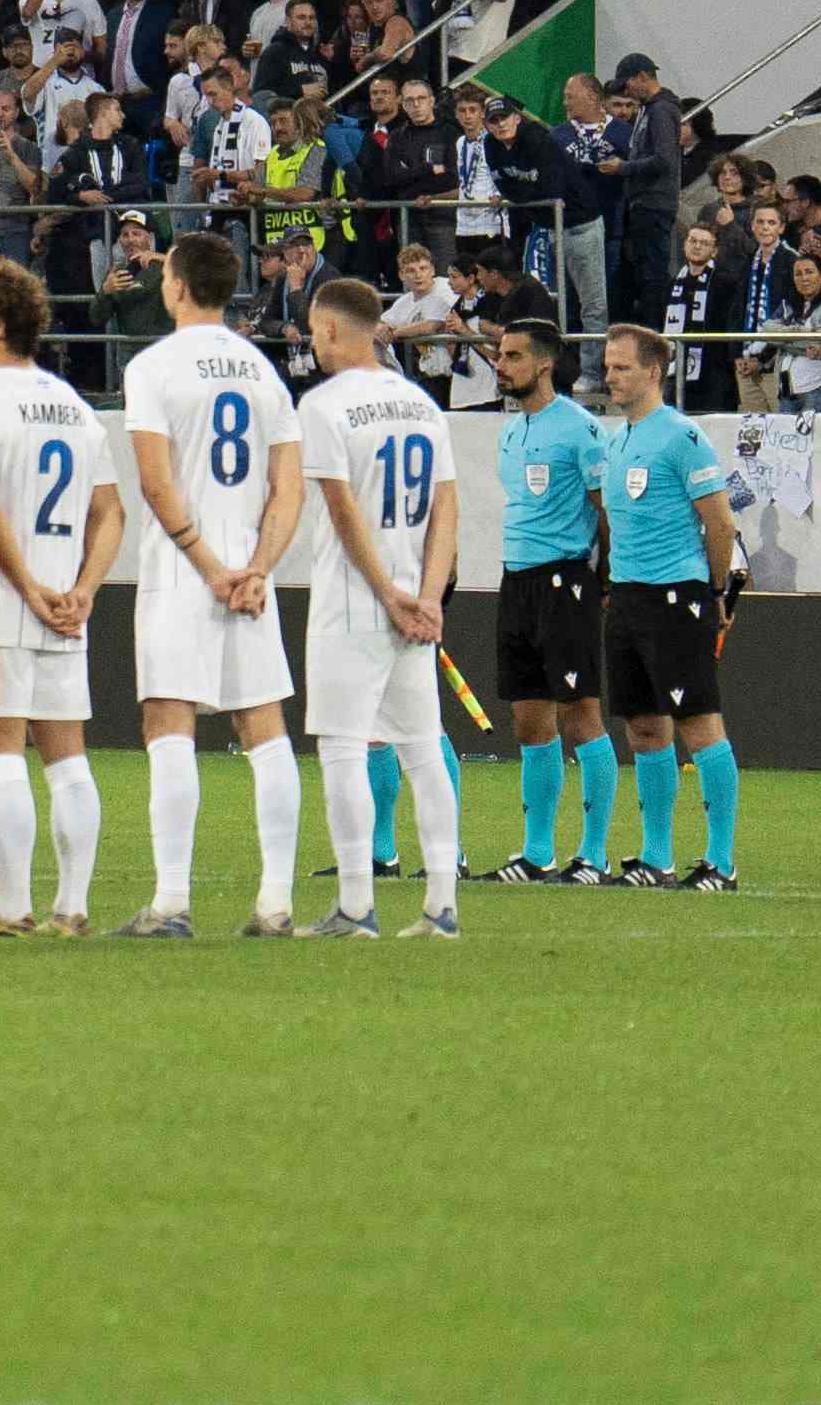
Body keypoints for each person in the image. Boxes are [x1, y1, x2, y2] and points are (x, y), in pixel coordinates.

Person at [118, 230, 309, 939]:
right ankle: (276, 903)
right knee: (263, 726)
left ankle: (171, 903)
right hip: (249, 571)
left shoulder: (153, 367)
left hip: (184, 566)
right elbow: (289, 489)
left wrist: (208, 566)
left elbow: (156, 481)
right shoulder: (263, 371)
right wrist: (258, 569)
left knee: (169, 723)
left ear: (176, 284)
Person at [0, 253, 112, 940]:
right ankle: (73, 907)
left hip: (3, 602)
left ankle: (12, 909)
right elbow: (111, 512)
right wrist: (83, 590)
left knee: (0, 748)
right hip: (66, 605)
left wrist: (28, 589)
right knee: (67, 755)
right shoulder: (76, 407)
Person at [296, 278, 467, 940]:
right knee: (422, 750)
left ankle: (356, 906)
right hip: (414, 604)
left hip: (354, 601)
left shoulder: (323, 405)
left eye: (314, 330)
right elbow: (447, 508)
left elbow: (342, 511)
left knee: (342, 748)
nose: (313, 342)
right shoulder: (421, 403)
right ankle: (442, 907)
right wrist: (428, 595)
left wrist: (387, 593)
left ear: (331, 328)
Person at [592, 320, 748, 892]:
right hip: (627, 597)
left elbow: (720, 523)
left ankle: (721, 862)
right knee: (642, 728)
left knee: (698, 724)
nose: (610, 376)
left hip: (677, 596)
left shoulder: (683, 436)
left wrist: (713, 593)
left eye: (622, 367)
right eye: (608, 367)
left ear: (653, 372)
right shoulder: (617, 441)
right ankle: (655, 857)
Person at [481, 315, 613, 881]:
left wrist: (606, 580)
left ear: (544, 363)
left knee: (581, 716)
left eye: (512, 356)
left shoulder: (580, 428)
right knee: (529, 720)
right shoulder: (510, 431)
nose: (501, 365)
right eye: (499, 355)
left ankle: (594, 854)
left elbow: (607, 510)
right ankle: (537, 854)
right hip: (518, 581)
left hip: (566, 580)